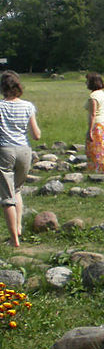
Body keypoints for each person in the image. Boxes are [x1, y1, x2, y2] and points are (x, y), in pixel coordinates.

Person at [0, 71, 41, 247]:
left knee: (7, 196)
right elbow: (36, 135)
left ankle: (13, 239)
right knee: (17, 190)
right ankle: (18, 228)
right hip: (25, 151)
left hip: (5, 151)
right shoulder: (28, 106)